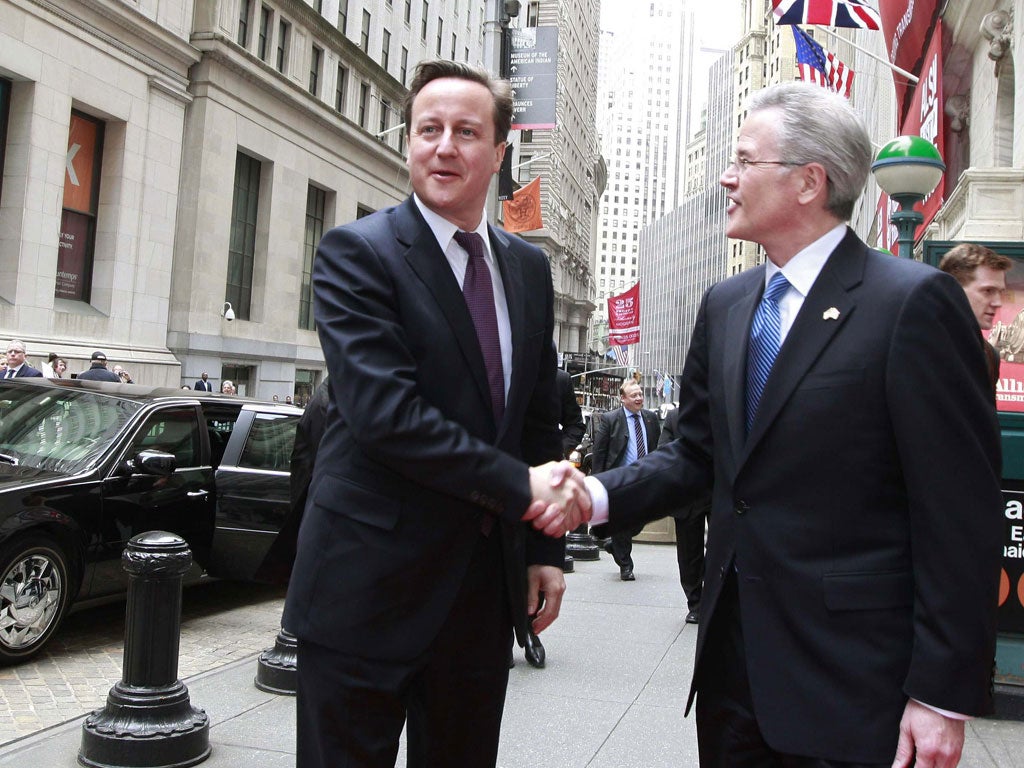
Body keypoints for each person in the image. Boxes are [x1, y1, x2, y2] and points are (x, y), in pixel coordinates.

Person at [537, 82, 1002, 767]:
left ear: (809, 181)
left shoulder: (913, 305)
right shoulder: (726, 304)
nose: (727, 176)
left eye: (745, 160)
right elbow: (695, 456)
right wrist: (591, 496)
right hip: (732, 679)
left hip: (854, 685)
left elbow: (960, 512)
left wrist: (941, 695)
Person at [282, 59, 588, 768]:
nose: (444, 146)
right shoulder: (357, 253)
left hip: (480, 600)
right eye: (429, 129)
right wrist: (523, 489)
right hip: (363, 593)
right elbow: (386, 415)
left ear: (498, 154)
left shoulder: (528, 270)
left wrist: (543, 550)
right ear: (410, 143)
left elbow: (540, 421)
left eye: (466, 132)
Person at [590, 380, 660, 581]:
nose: (639, 398)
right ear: (622, 399)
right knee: (622, 522)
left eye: (640, 394)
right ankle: (626, 565)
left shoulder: (651, 419)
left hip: (644, 478)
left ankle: (614, 544)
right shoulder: (610, 419)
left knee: (638, 521)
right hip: (620, 479)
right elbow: (600, 452)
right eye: (633, 395)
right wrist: (597, 481)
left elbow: (656, 447)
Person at [938, 242, 1013, 395]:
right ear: (954, 289)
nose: (998, 302)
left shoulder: (989, 354)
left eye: (1000, 292)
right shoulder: (918, 346)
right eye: (988, 291)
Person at [658, 405, 708, 625]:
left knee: (721, 550)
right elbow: (663, 452)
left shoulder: (725, 409)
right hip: (688, 497)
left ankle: (716, 598)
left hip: (719, 495)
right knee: (689, 555)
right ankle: (695, 604)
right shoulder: (675, 417)